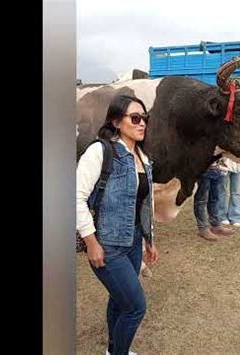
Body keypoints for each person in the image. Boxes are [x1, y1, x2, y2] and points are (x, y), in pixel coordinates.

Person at [76, 95, 159, 355]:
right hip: (108, 245)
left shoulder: (143, 158)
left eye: (145, 118)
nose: (142, 123)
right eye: (135, 118)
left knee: (119, 300)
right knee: (135, 307)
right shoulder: (100, 151)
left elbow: (144, 203)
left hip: (133, 242)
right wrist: (91, 242)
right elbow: (75, 196)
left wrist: (148, 239)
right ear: (116, 121)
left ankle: (113, 349)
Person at [193, 158, 236, 241]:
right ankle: (203, 228)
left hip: (217, 169)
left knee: (214, 199)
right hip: (202, 169)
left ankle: (216, 226)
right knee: (201, 200)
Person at [219, 158, 240, 227]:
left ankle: (235, 217)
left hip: (238, 165)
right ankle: (222, 215)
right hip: (224, 164)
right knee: (222, 191)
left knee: (236, 192)